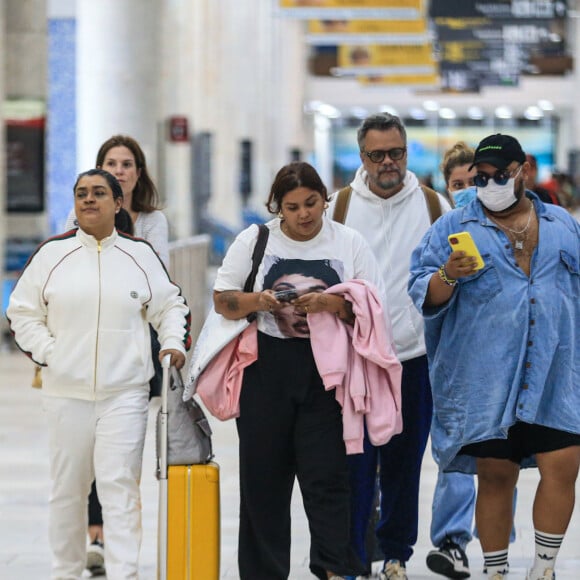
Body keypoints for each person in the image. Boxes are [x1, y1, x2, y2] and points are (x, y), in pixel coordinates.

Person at [409, 133, 580, 580]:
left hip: (555, 371)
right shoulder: (454, 227)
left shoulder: (562, 223)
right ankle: (496, 570)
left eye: (498, 176)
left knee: (563, 464)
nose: (488, 186)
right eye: (481, 179)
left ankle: (544, 568)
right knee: (496, 475)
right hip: (486, 378)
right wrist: (448, 274)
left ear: (524, 169)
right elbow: (420, 291)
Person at [7, 168, 190, 579]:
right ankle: (66, 572)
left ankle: (124, 573)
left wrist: (173, 342)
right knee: (67, 494)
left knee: (120, 492)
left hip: (124, 395)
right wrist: (52, 353)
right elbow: (22, 312)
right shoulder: (52, 255)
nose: (89, 200)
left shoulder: (139, 255)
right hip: (64, 395)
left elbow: (171, 305)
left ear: (118, 202)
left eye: (99, 193)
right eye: (81, 193)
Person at [211, 161, 391, 580]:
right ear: (278, 208)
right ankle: (264, 572)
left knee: (328, 478)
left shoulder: (348, 242)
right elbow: (223, 299)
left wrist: (332, 304)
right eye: (292, 207)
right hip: (266, 369)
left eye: (311, 203)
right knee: (263, 483)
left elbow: (374, 307)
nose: (304, 214)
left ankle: (333, 568)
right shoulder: (255, 240)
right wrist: (261, 301)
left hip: (327, 373)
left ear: (325, 199)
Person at [329, 112, 451, 580]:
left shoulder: (433, 206)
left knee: (404, 465)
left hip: (413, 360)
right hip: (356, 361)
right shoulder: (338, 207)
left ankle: (396, 554)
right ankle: (356, 557)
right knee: (355, 464)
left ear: (406, 152)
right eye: (377, 154)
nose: (387, 163)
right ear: (362, 157)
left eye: (395, 153)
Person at [65, 134, 169, 575]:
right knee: (86, 446)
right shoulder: (80, 214)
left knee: (120, 449)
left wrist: (119, 224)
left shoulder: (152, 222)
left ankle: (118, 536)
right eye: (112, 162)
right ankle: (95, 535)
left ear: (139, 172)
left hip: (132, 352)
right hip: (84, 349)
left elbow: (153, 281)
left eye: (128, 163)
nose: (121, 169)